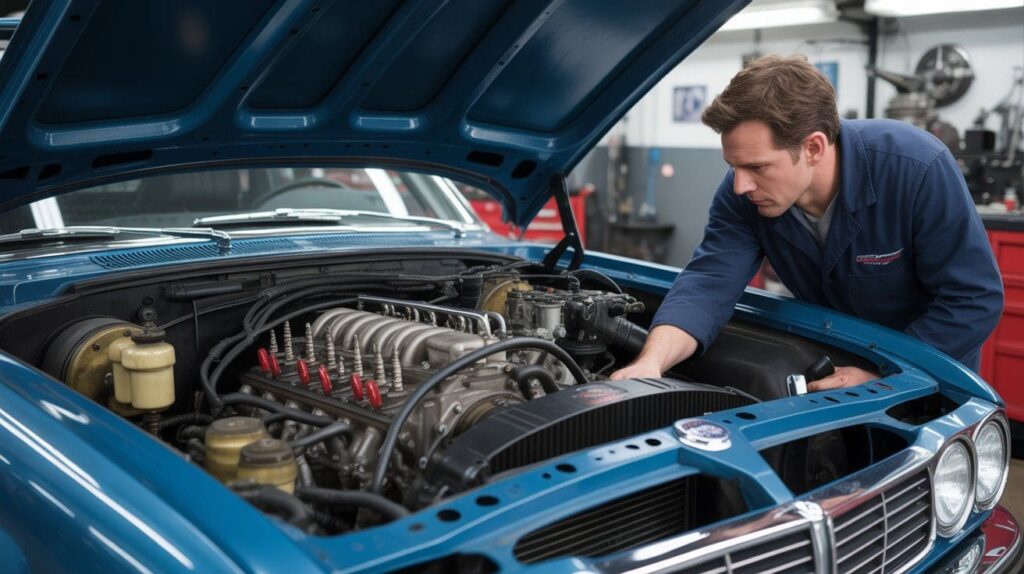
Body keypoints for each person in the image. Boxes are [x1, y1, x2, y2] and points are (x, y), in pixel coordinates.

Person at [611, 54, 1003, 391]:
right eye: (733, 166)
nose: (741, 184)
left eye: (757, 166)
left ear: (813, 147)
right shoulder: (743, 193)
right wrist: (653, 362)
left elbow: (972, 299)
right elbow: (707, 283)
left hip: (929, 373)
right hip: (833, 366)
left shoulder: (915, 168)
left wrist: (887, 375)